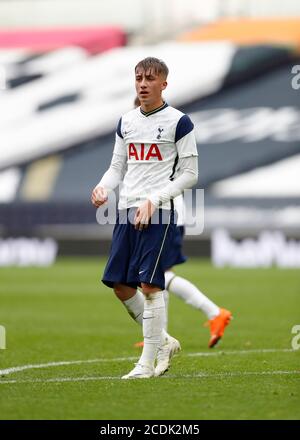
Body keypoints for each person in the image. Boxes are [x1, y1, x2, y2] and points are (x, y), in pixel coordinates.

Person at [91, 57, 198, 379]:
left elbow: (190, 174)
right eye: (138, 77)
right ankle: (163, 341)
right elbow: (117, 167)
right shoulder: (126, 121)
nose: (142, 83)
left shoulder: (180, 122)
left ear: (163, 83)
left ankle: (146, 365)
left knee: (151, 286)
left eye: (150, 79)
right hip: (126, 210)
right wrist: (102, 187)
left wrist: (154, 200)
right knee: (120, 286)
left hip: (159, 212)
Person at [130, 98, 232, 351]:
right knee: (156, 277)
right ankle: (158, 334)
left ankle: (214, 313)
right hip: (164, 214)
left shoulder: (165, 137)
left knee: (159, 276)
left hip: (167, 216)